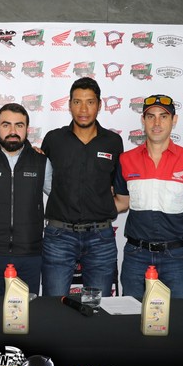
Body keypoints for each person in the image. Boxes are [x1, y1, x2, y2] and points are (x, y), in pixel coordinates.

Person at [114, 94, 183, 299]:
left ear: (174, 120)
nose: (157, 123)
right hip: (136, 256)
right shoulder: (126, 160)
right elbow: (121, 203)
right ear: (143, 121)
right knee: (131, 314)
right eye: (151, 117)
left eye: (163, 117)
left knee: (178, 315)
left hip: (177, 257)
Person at [40, 77, 124, 297]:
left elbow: (117, 187)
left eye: (90, 102)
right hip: (59, 236)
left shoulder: (113, 142)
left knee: (99, 307)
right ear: (69, 105)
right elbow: (40, 177)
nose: (83, 109)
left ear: (99, 105)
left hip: (101, 237)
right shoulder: (53, 139)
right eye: (77, 102)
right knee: (53, 306)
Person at [0, 103, 52, 295]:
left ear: (27, 129)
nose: (13, 131)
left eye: (19, 125)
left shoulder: (41, 163)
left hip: (29, 254)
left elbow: (59, 199)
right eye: (6, 125)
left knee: (26, 311)